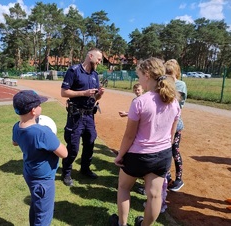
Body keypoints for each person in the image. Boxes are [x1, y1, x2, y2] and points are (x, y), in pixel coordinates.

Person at [109, 57, 181, 226]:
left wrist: (120, 155)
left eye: (139, 75)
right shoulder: (174, 101)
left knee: (124, 187)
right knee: (154, 195)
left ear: (147, 75)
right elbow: (172, 134)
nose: (138, 79)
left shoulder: (140, 102)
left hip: (138, 155)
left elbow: (129, 136)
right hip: (162, 155)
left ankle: (122, 223)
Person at [12, 90, 68, 226]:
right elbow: (64, 153)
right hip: (43, 181)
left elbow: (15, 142)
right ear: (33, 111)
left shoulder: (16, 127)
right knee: (44, 215)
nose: (41, 107)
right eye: (39, 105)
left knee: (36, 203)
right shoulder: (42, 132)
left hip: (30, 173)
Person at [60, 48, 105, 186]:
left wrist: (99, 94)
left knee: (90, 143)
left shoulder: (95, 74)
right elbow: (64, 92)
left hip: (89, 116)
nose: (99, 61)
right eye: (98, 58)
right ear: (90, 56)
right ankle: (66, 172)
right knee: (73, 147)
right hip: (76, 116)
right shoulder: (73, 71)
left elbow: (94, 96)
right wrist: (83, 93)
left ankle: (85, 169)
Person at [164, 59, 187, 191]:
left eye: (170, 73)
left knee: (174, 151)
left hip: (175, 125)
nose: (168, 76)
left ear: (176, 73)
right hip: (163, 125)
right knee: (164, 152)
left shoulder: (181, 85)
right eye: (166, 73)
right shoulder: (163, 83)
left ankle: (179, 179)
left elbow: (177, 106)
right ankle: (166, 178)